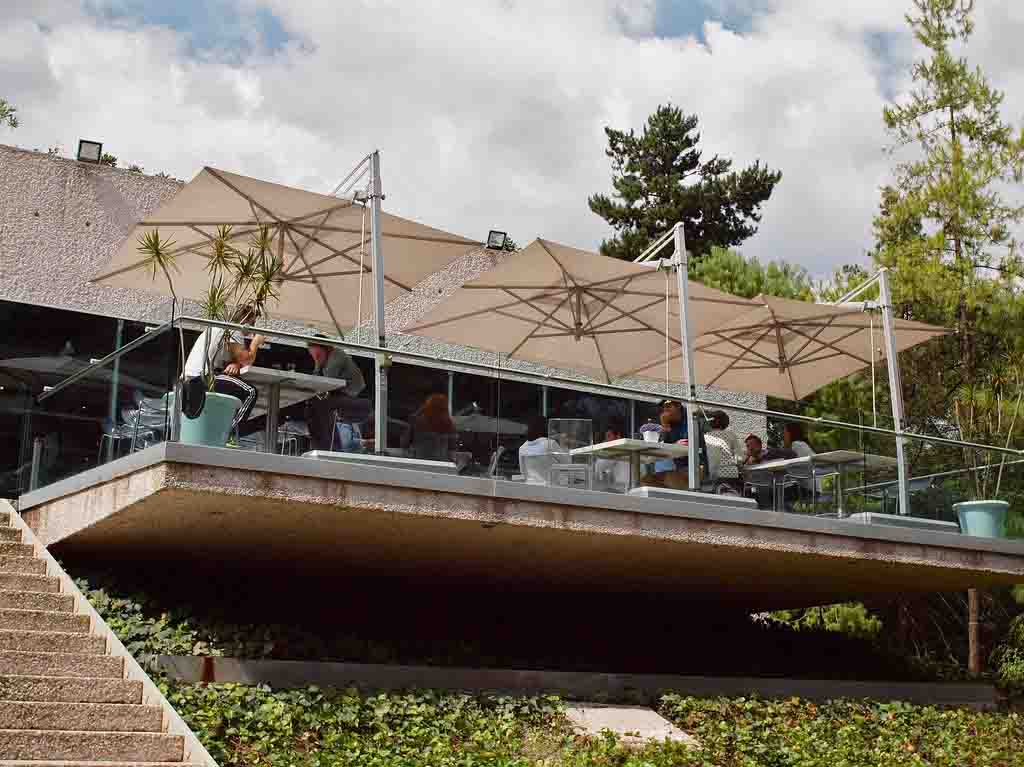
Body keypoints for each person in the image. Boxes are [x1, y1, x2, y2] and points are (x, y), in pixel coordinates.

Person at [182, 305, 263, 435]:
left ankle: (222, 429)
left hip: (192, 378)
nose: (252, 327)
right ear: (244, 320)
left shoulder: (220, 327)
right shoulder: (233, 330)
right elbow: (246, 359)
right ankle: (230, 434)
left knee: (234, 387)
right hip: (203, 378)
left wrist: (235, 364)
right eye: (252, 323)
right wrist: (256, 342)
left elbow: (233, 359)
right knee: (250, 392)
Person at [305, 333, 371, 452]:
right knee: (314, 405)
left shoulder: (336, 357)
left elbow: (325, 382)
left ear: (326, 349)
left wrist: (317, 363)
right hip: (344, 395)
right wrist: (317, 363)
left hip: (358, 397)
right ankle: (323, 445)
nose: (316, 358)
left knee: (321, 405)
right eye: (312, 355)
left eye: (318, 355)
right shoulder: (326, 358)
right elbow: (318, 380)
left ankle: (331, 447)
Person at [642, 399, 690, 489]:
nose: (665, 410)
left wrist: (674, 445)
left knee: (656, 479)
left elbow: (685, 445)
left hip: (690, 469)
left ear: (678, 406)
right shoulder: (670, 422)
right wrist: (665, 426)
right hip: (674, 467)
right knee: (645, 480)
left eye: (668, 406)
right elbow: (663, 444)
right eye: (664, 407)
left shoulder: (690, 420)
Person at [518, 416, 565, 484]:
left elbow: (523, 472)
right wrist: (563, 443)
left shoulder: (522, 448)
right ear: (545, 428)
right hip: (551, 488)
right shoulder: (550, 444)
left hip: (530, 486)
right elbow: (568, 463)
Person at [410, 393, 457, 460]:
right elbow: (452, 449)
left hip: (420, 462)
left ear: (427, 406)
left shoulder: (418, 422)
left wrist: (420, 411)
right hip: (440, 463)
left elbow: (404, 443)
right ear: (444, 408)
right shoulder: (449, 425)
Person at [594, 420, 630, 491]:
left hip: (622, 489)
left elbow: (599, 467)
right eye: (606, 437)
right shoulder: (612, 453)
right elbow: (599, 469)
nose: (607, 439)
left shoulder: (627, 452)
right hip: (617, 489)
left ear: (618, 436)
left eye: (609, 436)